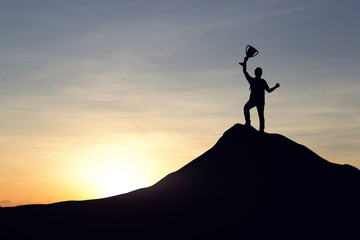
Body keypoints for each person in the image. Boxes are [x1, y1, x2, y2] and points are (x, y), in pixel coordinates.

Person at [239, 56, 280, 132]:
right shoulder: (261, 81)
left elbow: (245, 72)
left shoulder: (254, 81)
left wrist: (245, 62)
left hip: (255, 100)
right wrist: (275, 86)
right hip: (259, 101)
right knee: (260, 114)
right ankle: (260, 129)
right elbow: (269, 90)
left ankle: (250, 124)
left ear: (256, 73)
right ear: (260, 73)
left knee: (249, 110)